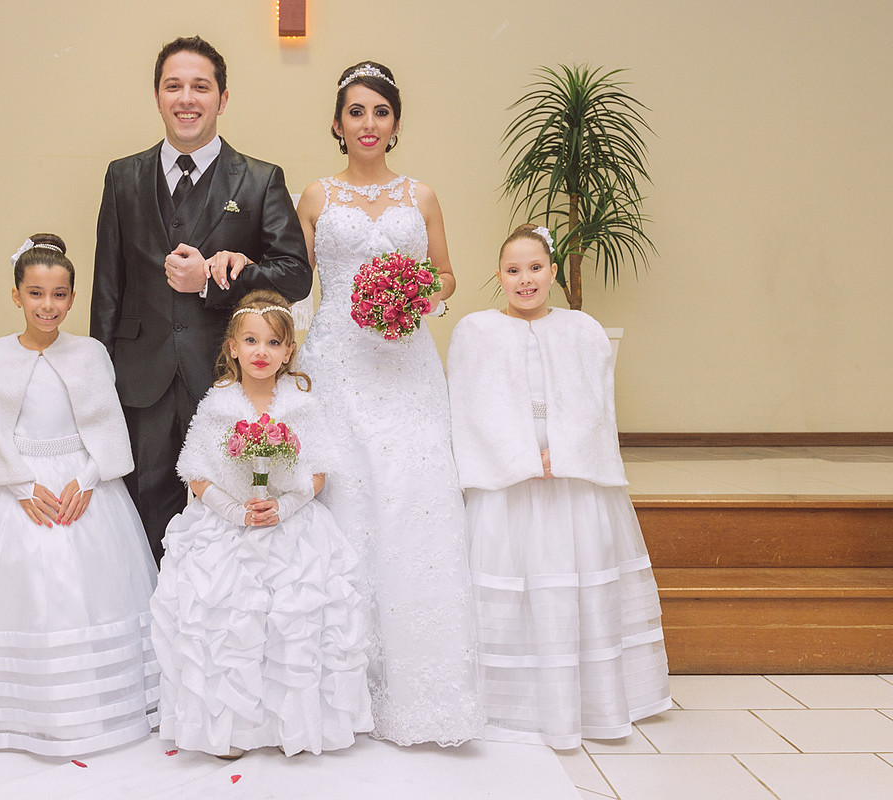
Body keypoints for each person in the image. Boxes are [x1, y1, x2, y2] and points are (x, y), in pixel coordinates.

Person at [294, 61, 483, 746]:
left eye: (380, 111)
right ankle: (341, 686)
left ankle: (417, 684)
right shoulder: (314, 196)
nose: (367, 124)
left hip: (405, 367)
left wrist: (418, 294)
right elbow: (295, 278)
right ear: (338, 123)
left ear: (395, 123)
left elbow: (448, 272)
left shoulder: (421, 196)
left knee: (412, 504)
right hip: (338, 368)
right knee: (345, 507)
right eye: (356, 112)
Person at [0, 234, 160, 756]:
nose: (47, 305)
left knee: (89, 588)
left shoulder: (92, 353)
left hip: (81, 482)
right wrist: (21, 486)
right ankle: (8, 706)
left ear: (73, 298)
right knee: (18, 587)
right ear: (15, 296)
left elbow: (108, 425)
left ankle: (98, 697)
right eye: (35, 293)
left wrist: (91, 477)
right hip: (15, 484)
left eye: (58, 295)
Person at [448, 224, 672, 749]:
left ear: (552, 271)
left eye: (535, 268)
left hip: (572, 484)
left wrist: (561, 452)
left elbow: (596, 404)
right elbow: (468, 407)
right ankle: (509, 707)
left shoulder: (582, 329)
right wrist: (521, 454)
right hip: (507, 485)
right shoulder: (474, 331)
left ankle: (589, 701)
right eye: (512, 270)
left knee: (572, 582)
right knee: (512, 584)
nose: (525, 279)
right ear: (498, 276)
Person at [91, 36, 312, 565]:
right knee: (144, 509)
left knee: (224, 509)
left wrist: (216, 281)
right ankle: (151, 634)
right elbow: (107, 289)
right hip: (140, 378)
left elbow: (296, 276)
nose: (186, 98)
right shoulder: (123, 177)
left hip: (224, 376)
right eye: (174, 86)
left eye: (200, 86)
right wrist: (97, 383)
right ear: (157, 96)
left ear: (223, 98)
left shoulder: (260, 180)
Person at [149, 289, 373, 759]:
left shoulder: (301, 405)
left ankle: (289, 723)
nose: (261, 352)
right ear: (232, 346)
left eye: (273, 343)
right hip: (227, 525)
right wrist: (235, 513)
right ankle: (231, 728)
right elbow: (196, 473)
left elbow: (317, 472)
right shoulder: (218, 404)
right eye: (251, 341)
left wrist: (285, 508)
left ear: (288, 351)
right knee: (230, 620)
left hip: (290, 523)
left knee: (294, 619)